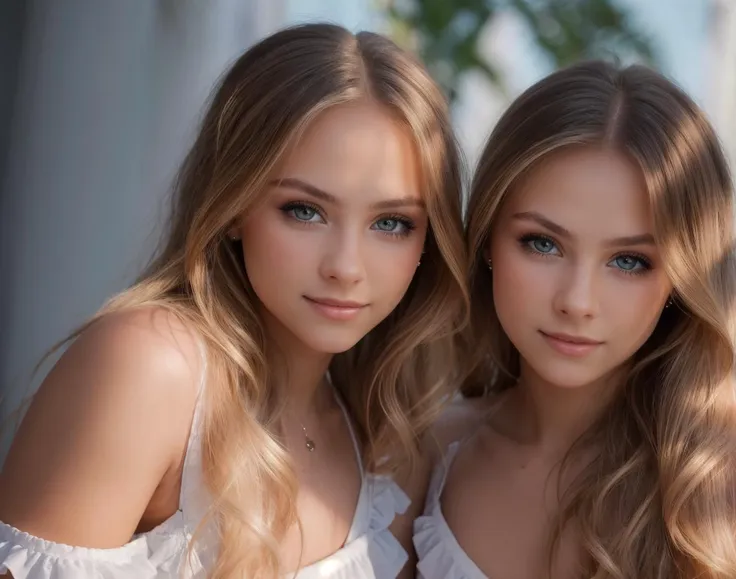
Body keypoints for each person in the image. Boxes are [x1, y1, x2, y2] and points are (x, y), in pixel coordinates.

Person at [0, 22, 468, 579]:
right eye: (304, 210)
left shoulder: (389, 444)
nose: (345, 267)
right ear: (233, 207)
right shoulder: (152, 366)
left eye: (391, 223)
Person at [415, 61, 736, 579]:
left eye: (629, 261)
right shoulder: (428, 456)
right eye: (542, 244)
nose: (577, 301)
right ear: (489, 241)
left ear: (680, 279)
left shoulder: (713, 487)